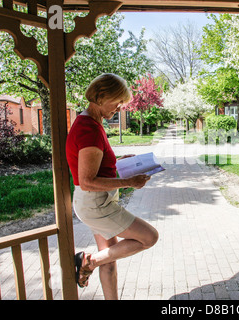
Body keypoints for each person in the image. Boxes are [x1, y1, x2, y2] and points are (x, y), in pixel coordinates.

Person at [66, 73, 159, 300]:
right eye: (117, 103)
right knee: (149, 237)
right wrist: (129, 181)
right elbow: (87, 181)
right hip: (97, 204)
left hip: (94, 203)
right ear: (99, 97)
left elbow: (94, 165)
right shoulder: (90, 129)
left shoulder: (89, 122)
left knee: (110, 257)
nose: (119, 108)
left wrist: (117, 161)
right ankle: (88, 262)